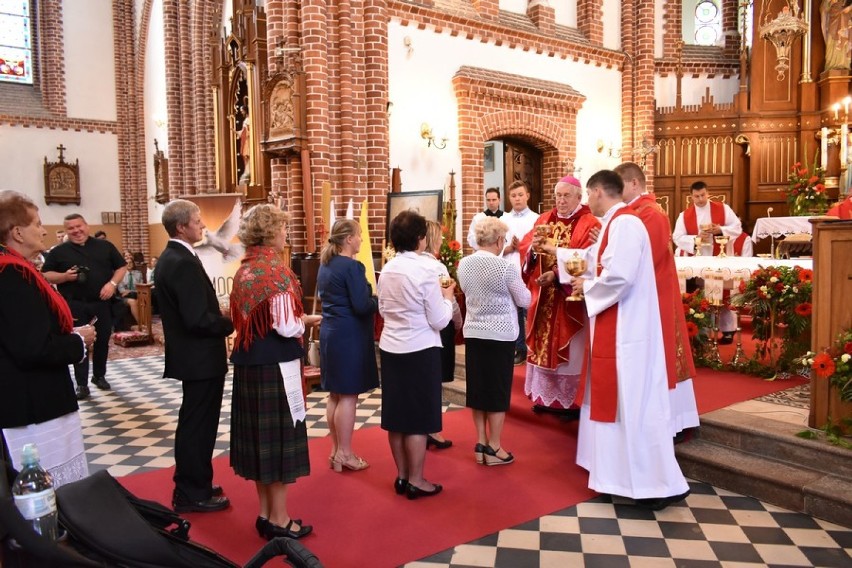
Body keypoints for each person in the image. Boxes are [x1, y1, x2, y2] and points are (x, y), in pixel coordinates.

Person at [551, 169, 690, 510]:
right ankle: (623, 480)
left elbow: (620, 276)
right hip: (620, 328)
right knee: (622, 408)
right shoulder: (617, 223)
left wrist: (589, 287)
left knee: (634, 406)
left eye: (588, 194)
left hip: (630, 334)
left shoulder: (626, 224)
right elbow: (595, 262)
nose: (586, 200)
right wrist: (567, 268)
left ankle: (652, 484)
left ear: (598, 191)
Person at [229, 204, 320, 540]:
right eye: (282, 227)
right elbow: (284, 326)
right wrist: (304, 322)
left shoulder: (245, 270)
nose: (286, 233)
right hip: (275, 370)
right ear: (269, 232)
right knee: (278, 443)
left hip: (249, 366)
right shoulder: (276, 272)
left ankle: (265, 514)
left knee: (259, 443)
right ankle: (281, 520)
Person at [0, 190, 96, 488]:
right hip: (32, 402)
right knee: (47, 487)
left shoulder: (18, 270)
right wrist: (79, 342)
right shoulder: (12, 276)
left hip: (27, 395)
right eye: (37, 224)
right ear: (17, 232)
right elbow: (32, 347)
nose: (43, 230)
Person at [154, 199, 234, 514]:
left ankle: (197, 482)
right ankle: (190, 491)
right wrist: (230, 321)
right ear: (181, 227)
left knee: (198, 424)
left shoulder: (174, 257)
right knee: (197, 427)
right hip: (199, 358)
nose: (203, 226)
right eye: (198, 221)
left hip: (195, 357)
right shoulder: (181, 261)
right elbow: (197, 319)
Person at [615, 162, 699, 439]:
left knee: (663, 354)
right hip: (647, 291)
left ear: (634, 184)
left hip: (656, 293)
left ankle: (673, 421)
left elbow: (642, 256)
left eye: (620, 186)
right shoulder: (634, 212)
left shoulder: (650, 213)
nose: (616, 192)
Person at [378, 210, 455, 500]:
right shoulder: (426, 270)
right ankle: (416, 479)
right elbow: (438, 320)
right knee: (419, 420)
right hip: (420, 348)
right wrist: (447, 300)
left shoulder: (388, 268)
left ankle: (401, 476)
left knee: (397, 417)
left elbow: (383, 311)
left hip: (391, 346)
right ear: (421, 239)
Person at [517, 176, 599, 416]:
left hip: (569, 296)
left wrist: (555, 274)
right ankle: (545, 398)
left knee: (570, 350)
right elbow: (527, 246)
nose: (561, 201)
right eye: (558, 196)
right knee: (542, 345)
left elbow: (588, 256)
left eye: (566, 196)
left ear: (578, 196)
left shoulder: (589, 222)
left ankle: (569, 402)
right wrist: (532, 249)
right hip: (543, 297)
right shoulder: (545, 219)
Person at [457, 217, 531, 466]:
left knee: (478, 391)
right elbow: (524, 300)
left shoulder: (463, 264)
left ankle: (480, 442)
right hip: (500, 335)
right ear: (499, 240)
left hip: (475, 333)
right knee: (497, 391)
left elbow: (467, 292)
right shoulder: (504, 267)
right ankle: (495, 446)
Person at [42, 214, 127, 400]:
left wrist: (111, 285)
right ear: (66, 231)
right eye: (71, 228)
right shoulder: (58, 252)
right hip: (75, 304)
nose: (76, 230)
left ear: (86, 226)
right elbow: (45, 275)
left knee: (103, 340)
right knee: (79, 342)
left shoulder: (105, 246)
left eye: (79, 226)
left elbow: (122, 267)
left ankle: (99, 376)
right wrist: (64, 277)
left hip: (101, 303)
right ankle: (81, 384)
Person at [317, 219, 379, 472]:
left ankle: (335, 450)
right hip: (350, 334)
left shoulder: (326, 264)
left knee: (335, 393)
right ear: (349, 239)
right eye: (360, 235)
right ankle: (345, 453)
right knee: (349, 395)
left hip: (331, 332)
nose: (362, 240)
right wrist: (378, 300)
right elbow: (362, 306)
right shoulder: (352, 267)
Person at [672, 181, 745, 343]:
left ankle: (728, 330)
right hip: (698, 259)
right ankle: (702, 331)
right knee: (702, 296)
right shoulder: (684, 216)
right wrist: (696, 239)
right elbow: (677, 237)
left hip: (720, 256)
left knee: (722, 293)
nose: (700, 199)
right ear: (691, 197)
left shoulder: (723, 209)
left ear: (708, 193)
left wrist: (720, 230)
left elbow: (737, 227)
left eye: (703, 195)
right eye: (697, 196)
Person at [421, 220, 463, 450]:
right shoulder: (436, 267)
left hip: (416, 331)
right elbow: (450, 299)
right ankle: (433, 430)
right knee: (434, 381)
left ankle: (420, 427)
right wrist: (458, 321)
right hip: (437, 328)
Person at [499, 181, 539, 365]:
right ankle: (520, 348)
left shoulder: (537, 219)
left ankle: (537, 348)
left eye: (520, 195)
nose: (517, 198)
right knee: (512, 311)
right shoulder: (503, 220)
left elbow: (540, 245)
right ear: (509, 198)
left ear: (528, 195)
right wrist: (507, 249)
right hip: (508, 268)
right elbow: (496, 246)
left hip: (529, 271)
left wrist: (523, 246)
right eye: (513, 195)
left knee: (529, 311)